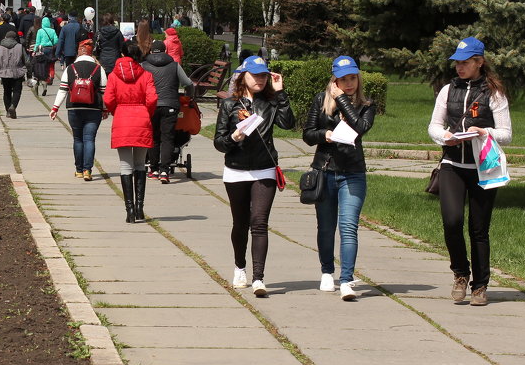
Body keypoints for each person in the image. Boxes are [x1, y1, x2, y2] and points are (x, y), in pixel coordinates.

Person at [428, 37, 513, 307]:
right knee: (452, 222)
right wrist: (444, 137)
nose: (459, 67)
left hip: (483, 169)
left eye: (465, 62)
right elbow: (433, 125)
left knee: (479, 229)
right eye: (457, 62)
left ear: (479, 63)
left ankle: (480, 286)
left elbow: (507, 134)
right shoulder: (446, 90)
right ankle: (460, 273)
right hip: (452, 164)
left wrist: (483, 132)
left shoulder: (493, 93)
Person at [213, 56, 295, 297]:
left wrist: (281, 94)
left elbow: (288, 123)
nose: (259, 79)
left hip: (264, 169)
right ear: (243, 77)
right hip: (236, 170)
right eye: (255, 75)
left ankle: (259, 278)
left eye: (263, 75)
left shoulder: (270, 102)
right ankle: (240, 267)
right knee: (241, 223)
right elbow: (219, 142)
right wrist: (234, 138)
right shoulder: (230, 105)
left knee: (259, 223)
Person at [303, 56, 376, 302]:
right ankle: (326, 271)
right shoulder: (319, 100)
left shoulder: (366, 105)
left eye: (352, 78)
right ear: (334, 80)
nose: (349, 83)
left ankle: (346, 279)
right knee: (325, 227)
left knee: (348, 227)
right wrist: (326, 134)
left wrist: (341, 99)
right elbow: (308, 134)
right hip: (325, 171)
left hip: (352, 173)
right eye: (343, 79)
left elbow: (358, 128)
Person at [104, 44, 158, 223]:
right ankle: (140, 208)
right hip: (141, 118)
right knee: (140, 165)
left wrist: (115, 111)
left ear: (122, 54)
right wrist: (146, 112)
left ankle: (130, 211)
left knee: (125, 166)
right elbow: (152, 98)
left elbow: (108, 99)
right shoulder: (146, 75)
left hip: (122, 119)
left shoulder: (113, 75)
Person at [51, 40, 106, 181]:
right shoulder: (99, 69)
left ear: (78, 53)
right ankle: (88, 170)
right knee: (89, 139)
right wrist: (105, 109)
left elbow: (63, 89)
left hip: (74, 108)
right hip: (93, 109)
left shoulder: (70, 68)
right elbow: (104, 91)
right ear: (91, 54)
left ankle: (79, 170)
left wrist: (55, 108)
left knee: (77, 138)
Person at [141, 39, 193, 183]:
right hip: (170, 104)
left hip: (150, 105)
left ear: (151, 51)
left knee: (153, 137)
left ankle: (154, 168)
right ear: (165, 51)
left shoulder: (144, 65)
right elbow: (188, 83)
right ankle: (165, 171)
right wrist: (189, 97)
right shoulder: (174, 65)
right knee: (168, 138)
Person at [0, 26, 29, 119]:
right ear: (15, 38)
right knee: (17, 91)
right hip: (18, 72)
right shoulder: (20, 47)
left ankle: (8, 111)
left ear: (5, 37)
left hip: (4, 73)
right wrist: (29, 74)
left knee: (6, 92)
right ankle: (13, 106)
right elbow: (27, 61)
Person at [33, 15, 59, 94]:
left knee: (42, 65)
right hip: (50, 49)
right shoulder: (52, 31)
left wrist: (34, 50)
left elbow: (37, 42)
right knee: (50, 63)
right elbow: (56, 41)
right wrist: (51, 44)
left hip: (42, 49)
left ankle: (41, 80)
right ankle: (50, 77)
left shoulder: (40, 31)